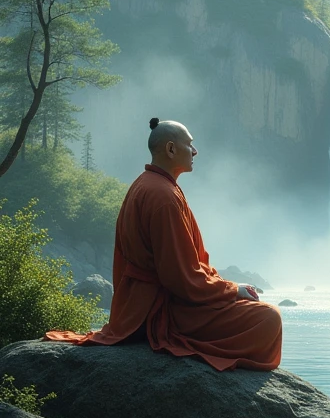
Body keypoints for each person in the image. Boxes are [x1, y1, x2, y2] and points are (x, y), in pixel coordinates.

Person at [45, 118, 282, 371]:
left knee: (260, 314)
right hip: (160, 312)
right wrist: (232, 290)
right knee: (268, 319)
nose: (195, 151)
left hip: (145, 304)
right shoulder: (163, 196)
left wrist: (226, 289)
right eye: (189, 144)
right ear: (170, 149)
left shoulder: (149, 184)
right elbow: (181, 278)